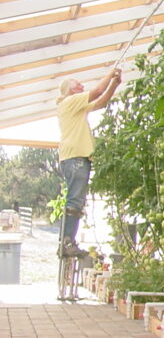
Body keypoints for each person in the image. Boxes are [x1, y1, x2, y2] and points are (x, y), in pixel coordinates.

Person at [55, 69, 121, 258]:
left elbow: (100, 102)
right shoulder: (69, 101)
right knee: (74, 200)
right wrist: (110, 74)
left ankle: (68, 241)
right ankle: (66, 241)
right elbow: (97, 92)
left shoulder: (75, 106)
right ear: (70, 90)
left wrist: (114, 85)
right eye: (78, 85)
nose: (82, 87)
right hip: (75, 156)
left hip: (76, 157)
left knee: (76, 200)